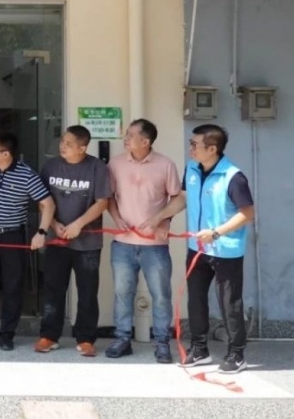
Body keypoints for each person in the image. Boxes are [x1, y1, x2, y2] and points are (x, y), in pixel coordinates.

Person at [147, 124, 254, 373]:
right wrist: (160, 217)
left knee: (229, 303)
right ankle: (199, 349)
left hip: (225, 250)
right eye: (190, 143)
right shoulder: (192, 168)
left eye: (195, 145)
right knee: (195, 299)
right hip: (197, 248)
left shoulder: (233, 177)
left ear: (212, 149)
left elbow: (248, 213)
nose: (191, 149)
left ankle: (237, 354)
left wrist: (216, 232)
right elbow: (183, 198)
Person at [105, 118, 182, 363]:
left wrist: (163, 221)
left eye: (131, 135)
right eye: (127, 134)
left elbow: (177, 199)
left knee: (161, 295)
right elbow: (109, 197)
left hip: (155, 246)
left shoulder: (165, 165)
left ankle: (162, 343)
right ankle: (122, 339)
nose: (126, 138)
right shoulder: (116, 163)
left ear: (146, 141)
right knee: (122, 293)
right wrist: (116, 218)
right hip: (123, 243)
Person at [0, 131, 55, 351]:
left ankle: (7, 335)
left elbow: (48, 204)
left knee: (12, 287)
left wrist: (41, 232)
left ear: (6, 153)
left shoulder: (26, 174)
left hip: (13, 236)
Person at [35, 126, 112, 357]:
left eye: (69, 143)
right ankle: (49, 336)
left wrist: (78, 224)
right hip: (56, 240)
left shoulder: (97, 167)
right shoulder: (50, 166)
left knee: (87, 292)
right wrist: (54, 225)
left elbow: (102, 202)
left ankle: (86, 339)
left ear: (82, 148)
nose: (63, 146)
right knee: (53, 289)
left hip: (88, 242)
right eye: (62, 141)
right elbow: (42, 201)